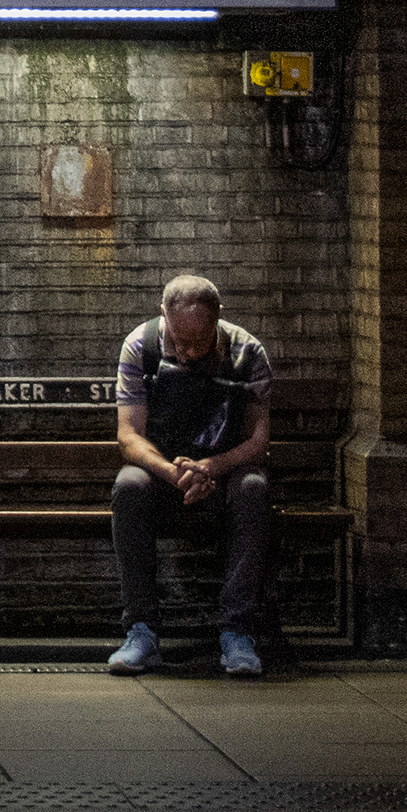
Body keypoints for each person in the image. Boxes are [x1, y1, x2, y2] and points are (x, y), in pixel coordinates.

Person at [106, 274, 274, 677]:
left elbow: (258, 440)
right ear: (163, 314)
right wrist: (172, 472)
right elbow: (129, 435)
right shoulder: (140, 347)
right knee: (128, 485)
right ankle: (141, 631)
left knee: (254, 488)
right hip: (166, 478)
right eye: (180, 342)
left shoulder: (248, 353)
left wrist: (213, 467)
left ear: (218, 319)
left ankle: (238, 632)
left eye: (199, 343)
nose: (186, 354)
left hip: (224, 474)